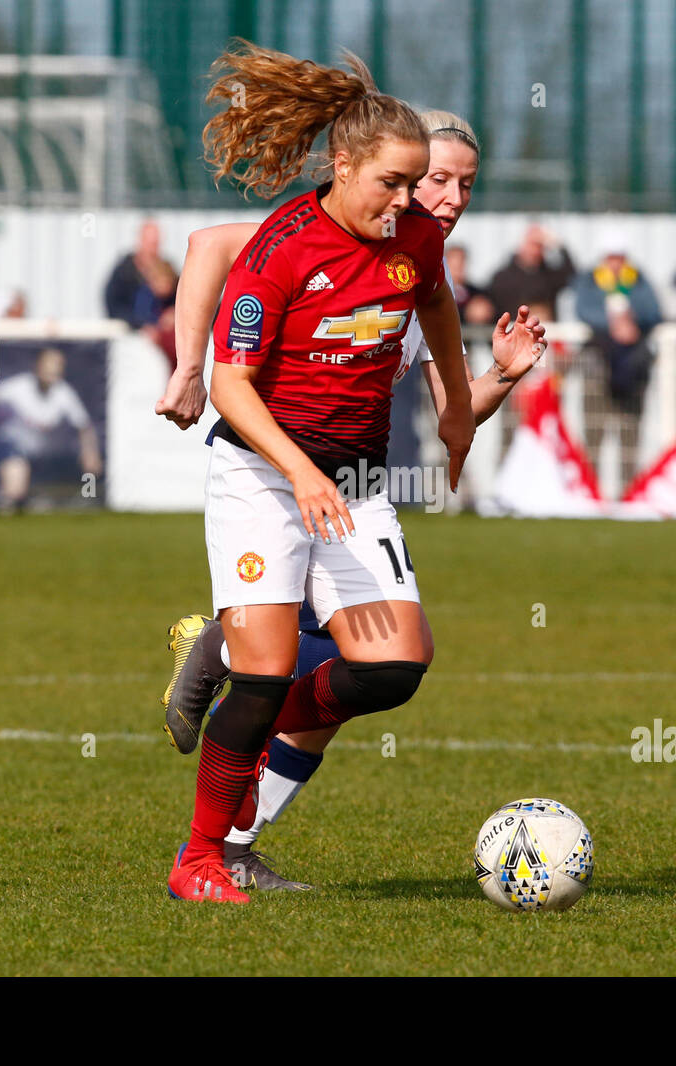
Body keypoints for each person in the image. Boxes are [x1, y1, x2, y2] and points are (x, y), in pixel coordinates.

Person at [155, 108, 545, 892]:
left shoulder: (416, 242)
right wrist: (190, 366)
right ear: (344, 165)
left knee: (395, 666)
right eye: (412, 180)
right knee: (265, 676)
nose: (426, 198)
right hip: (266, 474)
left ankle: (241, 722)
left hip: (357, 482)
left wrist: (467, 407)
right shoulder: (284, 242)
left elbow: (436, 306)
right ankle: (200, 859)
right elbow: (217, 299)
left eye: (453, 184)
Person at [0, 347, 102, 514]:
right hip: (11, 447)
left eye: (57, 366)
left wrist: (90, 452)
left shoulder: (63, 393)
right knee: (15, 492)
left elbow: (84, 426)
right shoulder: (21, 385)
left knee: (46, 498)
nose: (52, 371)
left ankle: (86, 502)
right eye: (49, 365)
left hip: (43, 457)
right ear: (38, 367)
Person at [572, 228, 661, 410]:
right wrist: (613, 323)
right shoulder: (590, 280)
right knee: (595, 408)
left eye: (619, 258)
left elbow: (653, 310)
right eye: (611, 258)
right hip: (599, 353)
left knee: (630, 418)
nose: (615, 264)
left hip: (633, 359)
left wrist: (631, 321)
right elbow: (582, 309)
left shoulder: (638, 280)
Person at [487, 224, 575, 320]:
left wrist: (559, 245)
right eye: (532, 244)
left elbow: (572, 277)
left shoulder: (549, 276)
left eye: (540, 246)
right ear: (522, 245)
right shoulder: (503, 277)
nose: (535, 251)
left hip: (545, 331)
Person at [104, 219, 165, 327]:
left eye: (156, 243)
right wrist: (141, 323)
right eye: (150, 243)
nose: (153, 248)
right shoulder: (124, 272)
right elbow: (113, 307)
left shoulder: (167, 270)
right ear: (140, 240)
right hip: (129, 334)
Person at [444, 245, 495, 325]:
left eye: (461, 265)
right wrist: (466, 312)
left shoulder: (477, 293)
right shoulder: (438, 292)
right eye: (455, 266)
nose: (458, 270)